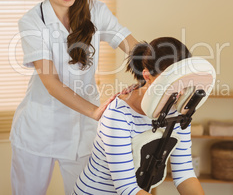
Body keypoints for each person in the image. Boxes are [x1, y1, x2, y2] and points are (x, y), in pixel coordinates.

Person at [9, 0, 138, 195]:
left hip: (83, 132)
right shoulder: (32, 22)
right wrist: (95, 111)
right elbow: (51, 82)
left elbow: (129, 43)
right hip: (39, 130)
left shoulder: (95, 10)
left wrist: (157, 67)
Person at [73, 37, 205, 195]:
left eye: (183, 81)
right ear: (147, 76)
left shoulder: (177, 113)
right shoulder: (118, 115)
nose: (181, 92)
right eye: (172, 82)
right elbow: (127, 188)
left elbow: (184, 173)